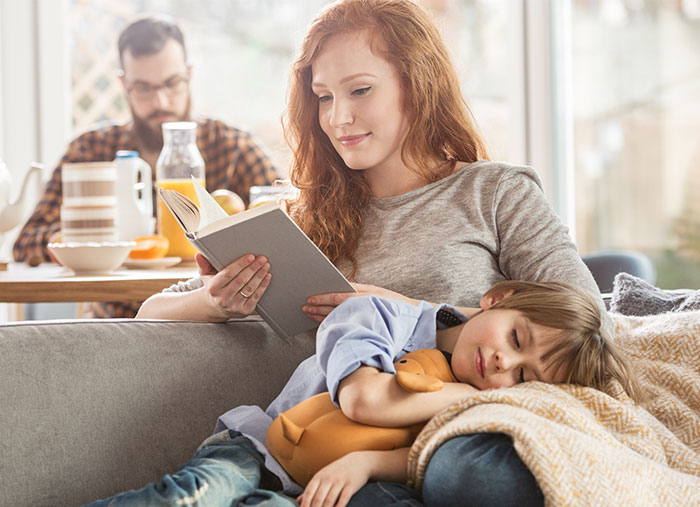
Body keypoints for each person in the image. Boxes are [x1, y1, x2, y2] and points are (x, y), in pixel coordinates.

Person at [135, 0, 605, 504]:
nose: (339, 117)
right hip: (314, 448)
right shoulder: (302, 220)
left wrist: (410, 311)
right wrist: (215, 301)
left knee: (477, 475)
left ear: (417, 83)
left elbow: (592, 320)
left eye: (360, 90)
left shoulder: (494, 193)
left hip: (441, 443)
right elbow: (149, 312)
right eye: (323, 97)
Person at [88, 280, 639, 507]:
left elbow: (416, 458)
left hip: (321, 490)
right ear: (498, 298)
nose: (503, 364)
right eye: (516, 339)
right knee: (195, 495)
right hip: (258, 451)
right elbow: (364, 401)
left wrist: (368, 464)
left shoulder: (478, 404)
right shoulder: (376, 315)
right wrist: (493, 400)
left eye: (523, 378)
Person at [13, 15, 280, 318]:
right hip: (115, 323)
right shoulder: (92, 150)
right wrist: (113, 236)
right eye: (143, 88)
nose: (160, 101)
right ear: (123, 84)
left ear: (189, 75)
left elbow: (288, 219)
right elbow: (27, 242)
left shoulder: (231, 147)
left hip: (216, 326)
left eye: (171, 83)